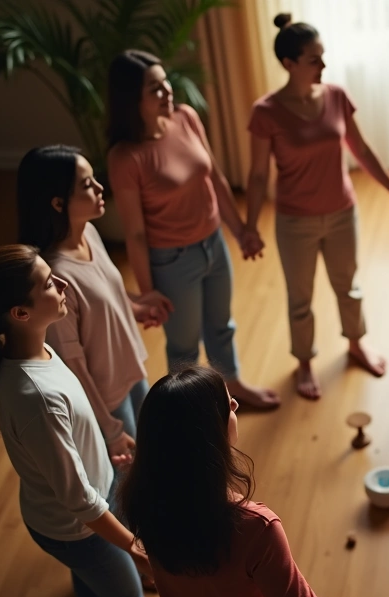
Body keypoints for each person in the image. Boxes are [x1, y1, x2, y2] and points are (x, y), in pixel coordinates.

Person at [0, 245, 148, 597]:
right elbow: (78, 499)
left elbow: (66, 438)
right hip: (77, 528)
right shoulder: (35, 398)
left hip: (82, 510)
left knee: (93, 585)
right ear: (20, 314)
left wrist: (101, 447)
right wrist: (135, 547)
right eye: (48, 282)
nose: (62, 283)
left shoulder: (37, 348)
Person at [118, 366, 354, 597]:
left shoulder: (145, 502)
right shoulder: (255, 529)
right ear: (209, 435)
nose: (235, 404)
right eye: (226, 404)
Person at [247, 14, 389, 399]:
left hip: (341, 213)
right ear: (289, 64)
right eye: (314, 60)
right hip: (295, 221)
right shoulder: (266, 112)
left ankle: (356, 344)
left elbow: (363, 150)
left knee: (348, 286)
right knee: (300, 298)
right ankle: (304, 361)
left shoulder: (336, 96)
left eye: (323, 57)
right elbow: (257, 176)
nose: (323, 66)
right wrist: (250, 226)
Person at [107, 49, 279, 409]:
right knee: (184, 347)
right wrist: (149, 292)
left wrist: (240, 231)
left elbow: (214, 178)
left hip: (213, 244)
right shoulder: (127, 157)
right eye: (154, 88)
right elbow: (136, 234)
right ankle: (194, 409)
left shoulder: (185, 117)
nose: (167, 91)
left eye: (164, 81)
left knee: (221, 326)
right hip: (172, 261)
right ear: (131, 100)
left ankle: (230, 387)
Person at [17, 145, 162, 448]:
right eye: (87, 184)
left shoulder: (90, 234)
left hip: (130, 370)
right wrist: (109, 428)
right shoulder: (56, 278)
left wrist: (135, 308)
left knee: (151, 462)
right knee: (124, 485)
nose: (99, 188)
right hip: (107, 398)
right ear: (58, 203)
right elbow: (73, 363)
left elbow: (105, 293)